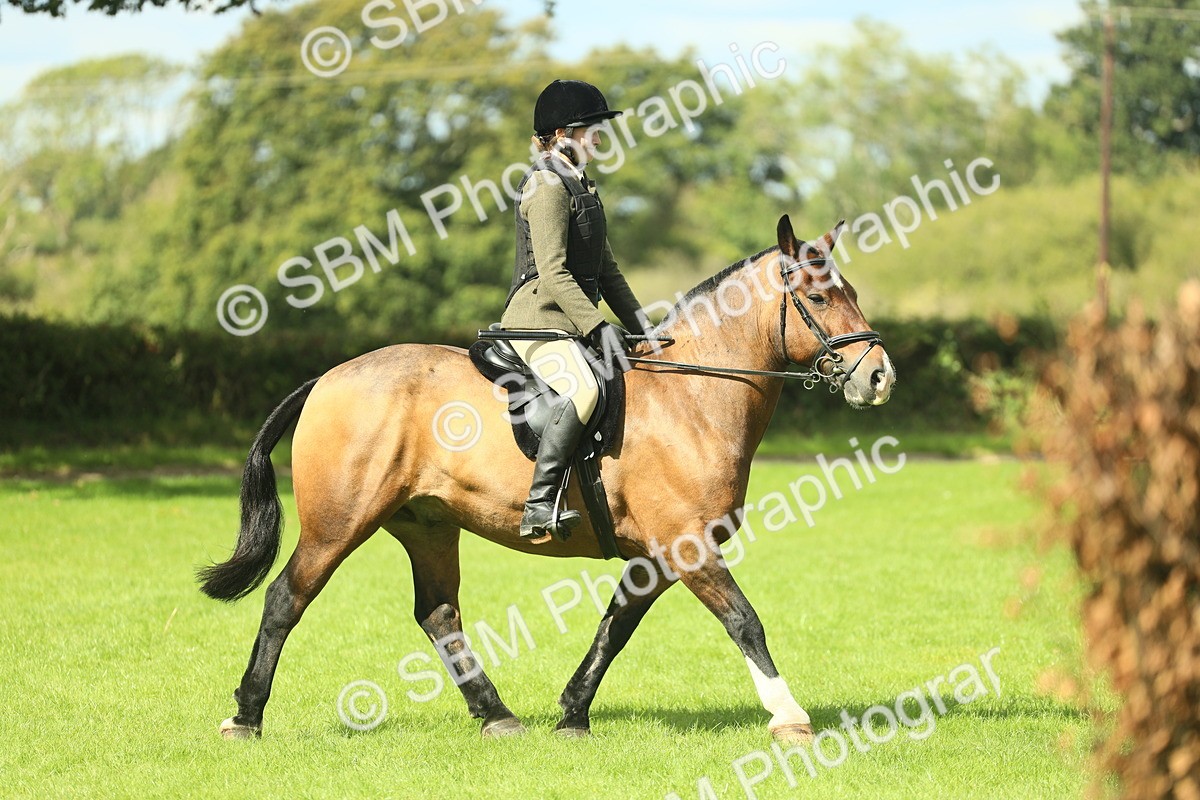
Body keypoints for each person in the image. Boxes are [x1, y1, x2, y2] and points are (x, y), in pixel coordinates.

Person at [500, 79, 650, 542]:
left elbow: (608, 272)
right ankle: (539, 503)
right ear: (564, 134)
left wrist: (646, 329)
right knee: (582, 390)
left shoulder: (580, 185)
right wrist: (598, 326)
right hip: (538, 321)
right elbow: (553, 271)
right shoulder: (547, 186)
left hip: (570, 322)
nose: (599, 140)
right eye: (593, 130)